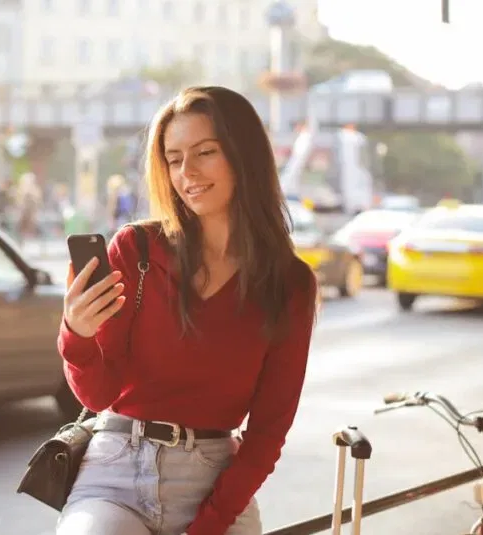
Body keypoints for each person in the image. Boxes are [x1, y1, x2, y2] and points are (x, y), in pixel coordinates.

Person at [56, 86, 318, 535]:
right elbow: (97, 397)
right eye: (174, 159)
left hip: (215, 480)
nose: (187, 172)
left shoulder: (289, 283)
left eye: (205, 152)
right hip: (116, 470)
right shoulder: (137, 249)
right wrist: (75, 335)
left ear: (244, 155)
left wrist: (209, 525)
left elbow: (268, 432)